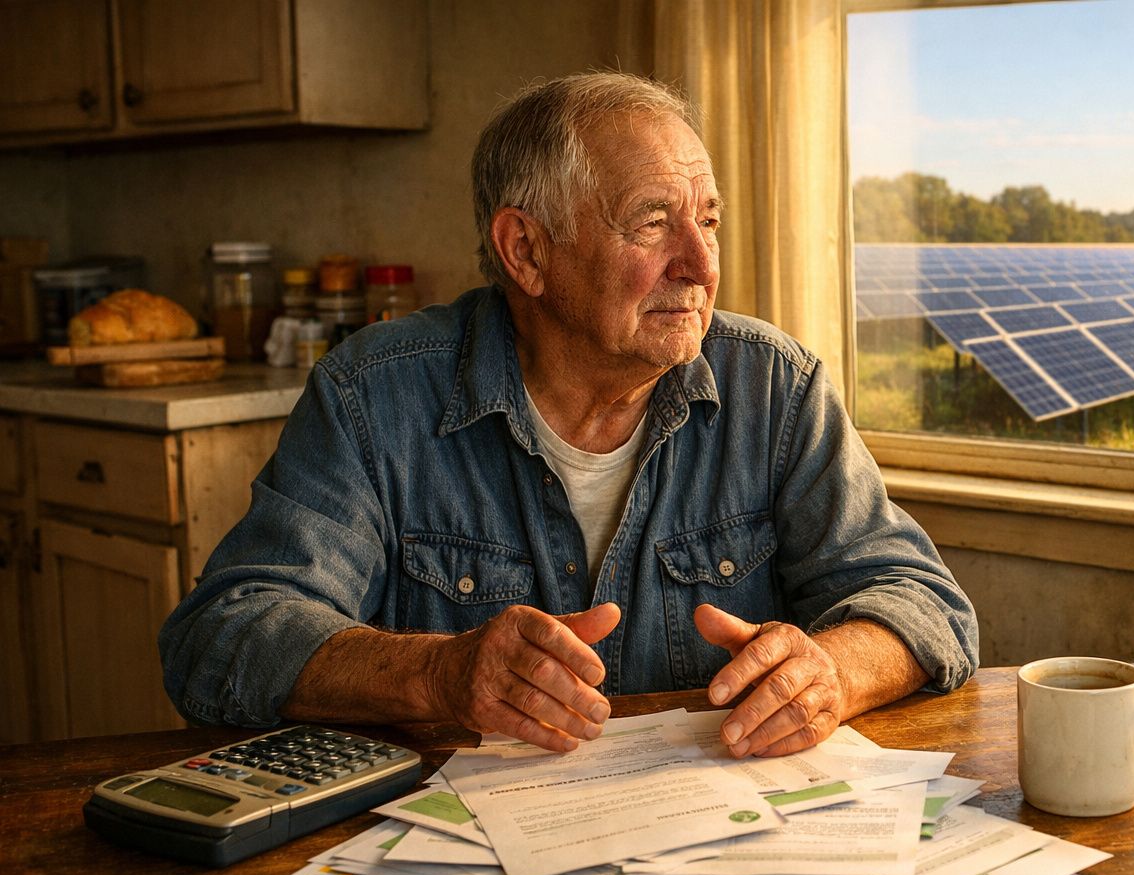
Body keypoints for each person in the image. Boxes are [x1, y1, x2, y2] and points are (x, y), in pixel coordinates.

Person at [160, 71, 978, 758]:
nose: (698, 263)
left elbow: (922, 602)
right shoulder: (373, 396)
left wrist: (831, 669)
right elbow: (223, 635)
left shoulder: (775, 386)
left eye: (709, 220)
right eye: (653, 222)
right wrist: (439, 673)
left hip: (713, 851)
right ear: (526, 251)